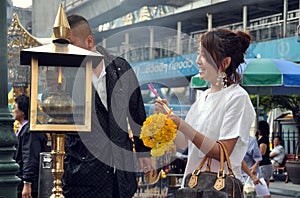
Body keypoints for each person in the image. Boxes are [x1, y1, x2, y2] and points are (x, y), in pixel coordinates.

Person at [62, 14, 153, 198]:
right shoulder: (66, 76)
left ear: (89, 41)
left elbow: (137, 113)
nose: (65, 51)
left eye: (69, 44)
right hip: (82, 176)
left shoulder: (120, 68)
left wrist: (144, 151)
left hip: (121, 176)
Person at [155, 28, 256, 185]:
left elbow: (222, 152)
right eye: (198, 53)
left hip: (219, 189)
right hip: (193, 188)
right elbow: (183, 143)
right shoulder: (203, 97)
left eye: (204, 55)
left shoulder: (237, 98)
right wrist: (167, 119)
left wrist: (181, 124)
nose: (198, 61)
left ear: (225, 62)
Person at [13, 94, 49, 198]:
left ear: (22, 111)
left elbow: (29, 157)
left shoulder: (30, 131)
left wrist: (27, 182)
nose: (13, 110)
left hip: (28, 183)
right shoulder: (24, 129)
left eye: (15, 107)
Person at [257, 120, 273, 198]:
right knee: (264, 187)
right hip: (265, 164)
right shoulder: (261, 138)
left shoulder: (263, 139)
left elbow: (262, 152)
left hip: (264, 165)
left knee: (264, 188)